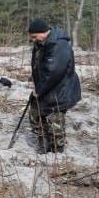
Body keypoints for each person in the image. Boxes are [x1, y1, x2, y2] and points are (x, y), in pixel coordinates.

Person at [27, 19, 81, 153]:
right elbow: (38, 66)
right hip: (44, 87)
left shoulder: (59, 45)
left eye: (34, 36)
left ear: (44, 32)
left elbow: (54, 72)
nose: (33, 40)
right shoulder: (41, 43)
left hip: (59, 90)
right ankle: (43, 144)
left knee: (55, 120)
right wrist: (35, 82)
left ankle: (57, 150)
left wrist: (39, 90)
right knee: (35, 114)